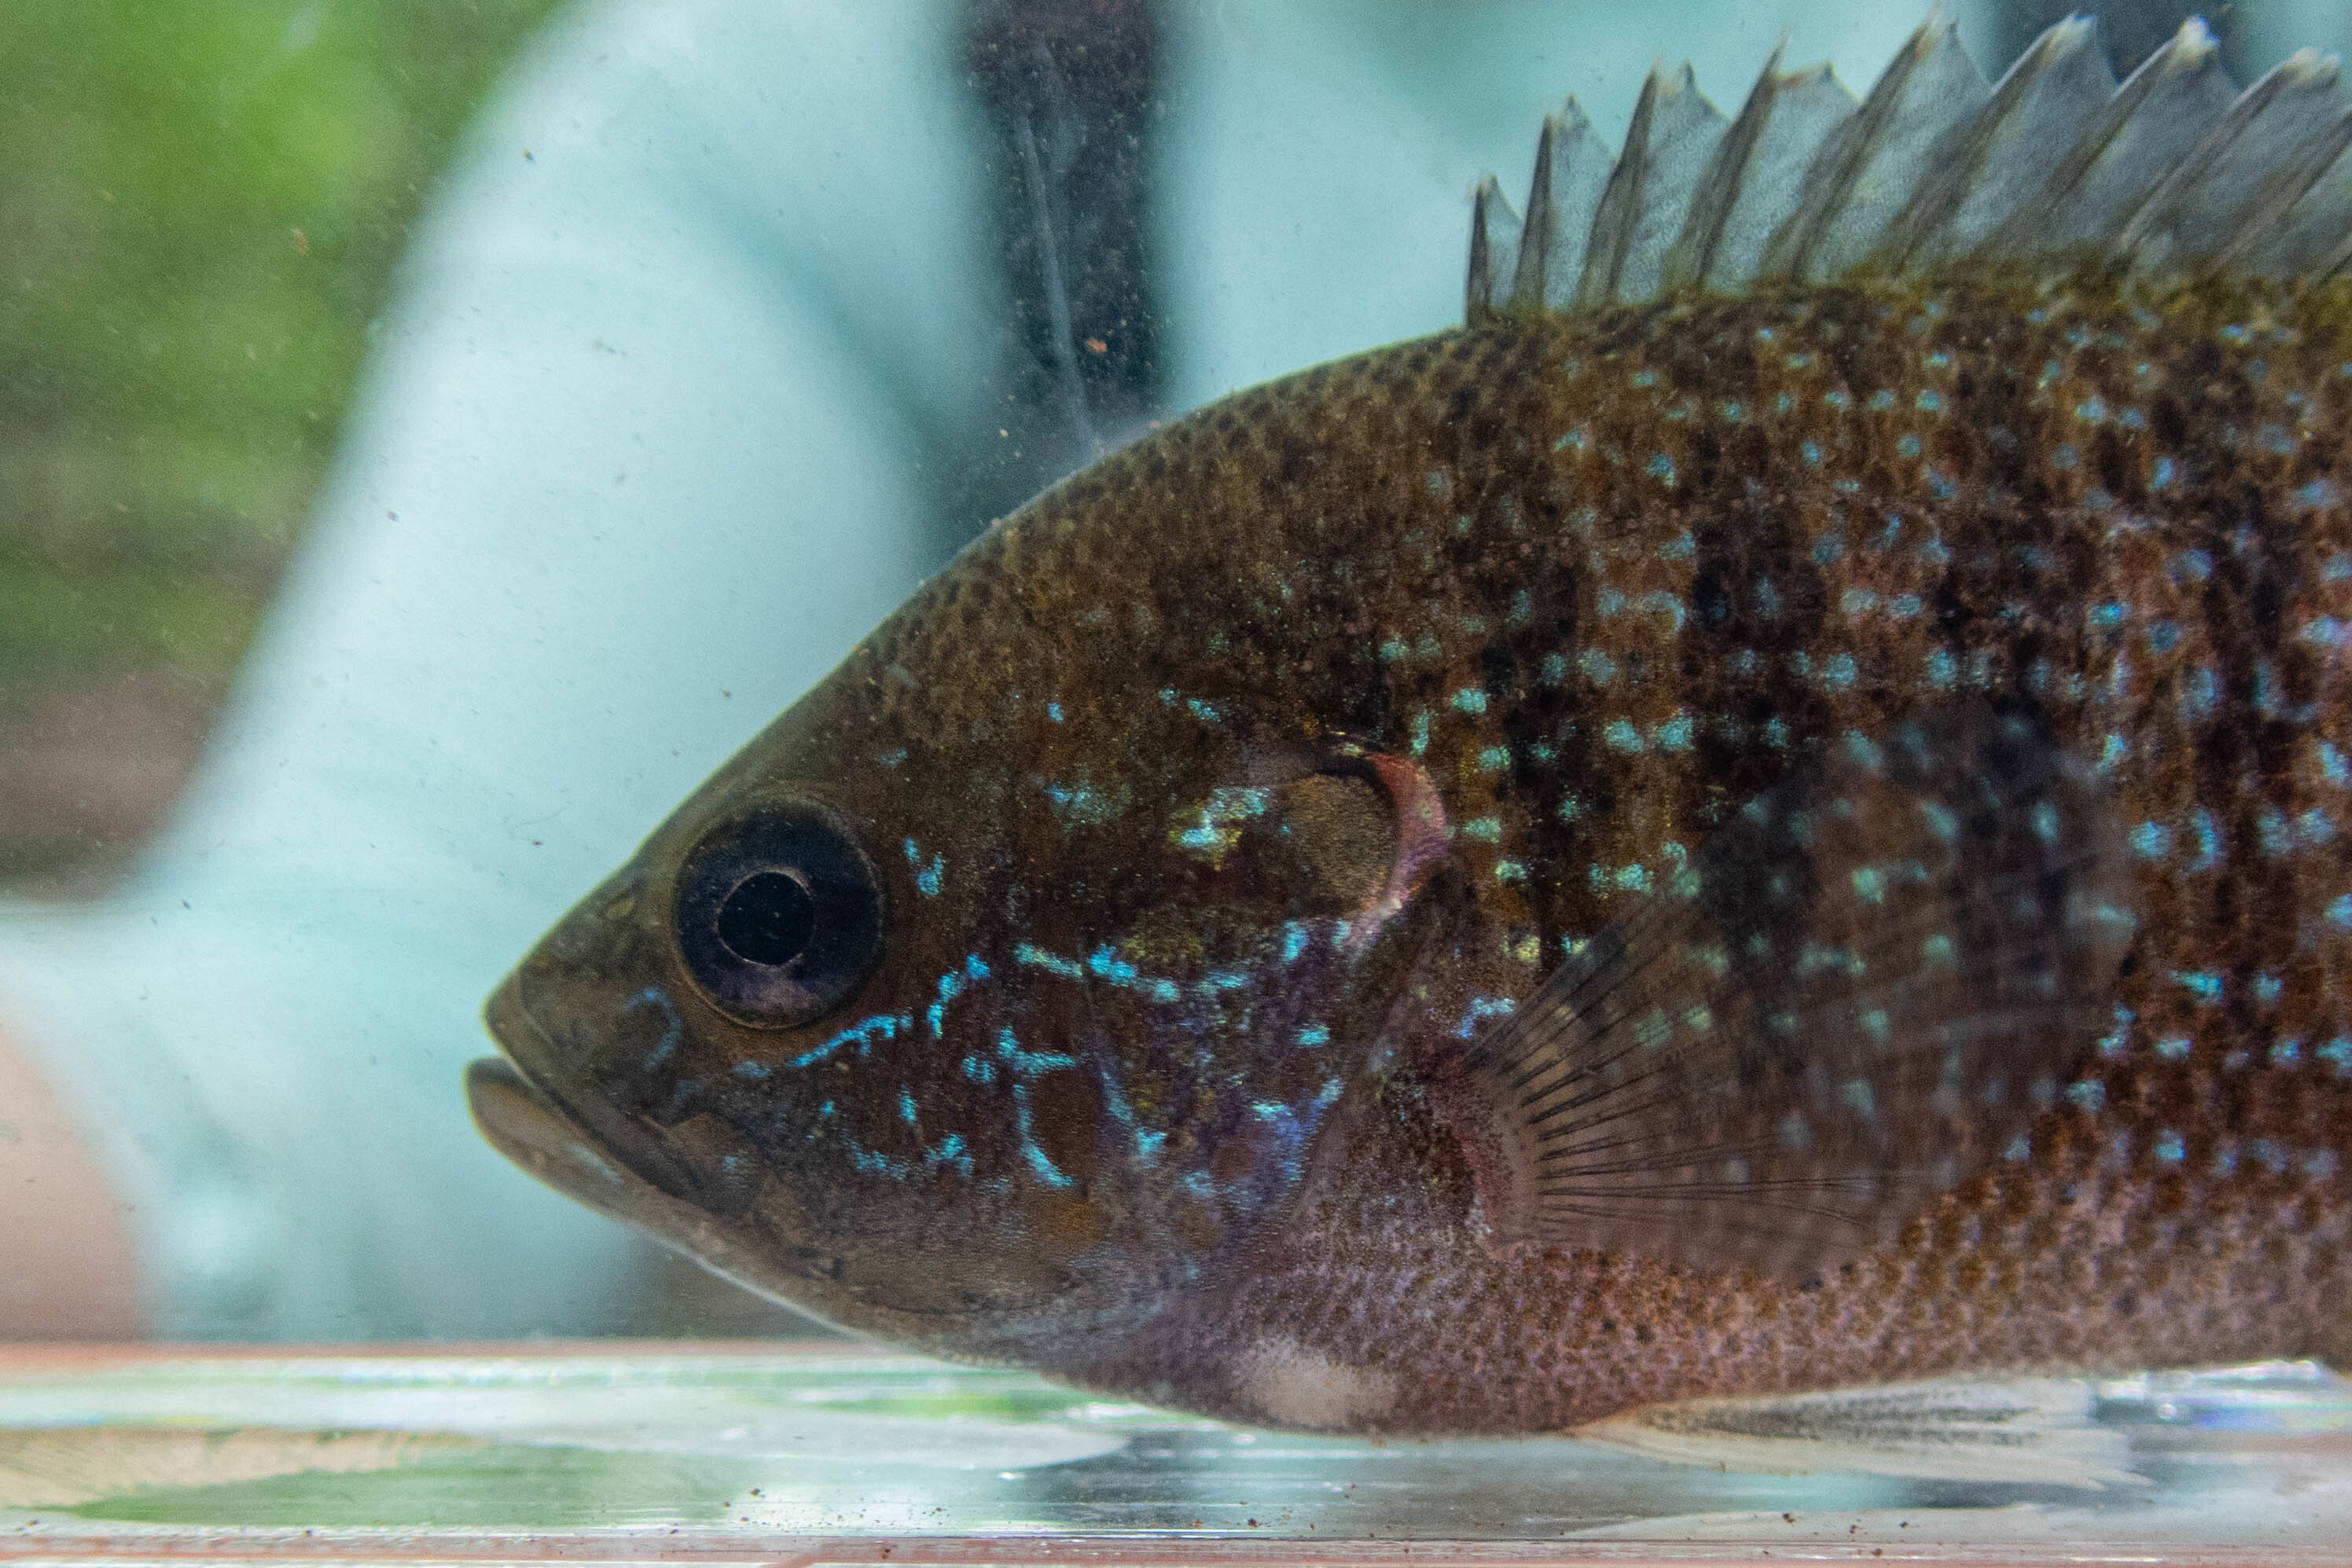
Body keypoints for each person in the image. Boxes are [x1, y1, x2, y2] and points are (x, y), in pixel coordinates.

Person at [1, 0, 2332, 1341]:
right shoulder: (812, 92)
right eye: (783, 934)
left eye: (782, 935)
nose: (724, 1006)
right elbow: (342, 1027)